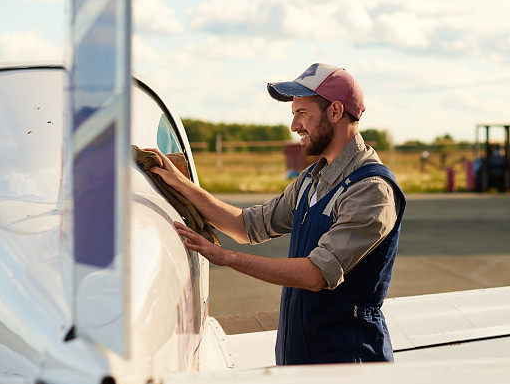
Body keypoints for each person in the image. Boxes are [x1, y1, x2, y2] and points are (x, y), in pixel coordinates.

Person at [149, 63, 405, 365]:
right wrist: (182, 185)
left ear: (335, 112)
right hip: (300, 357)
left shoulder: (371, 190)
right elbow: (246, 226)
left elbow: (315, 274)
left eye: (302, 113)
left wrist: (224, 257)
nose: (294, 126)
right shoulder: (312, 179)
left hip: (347, 364)